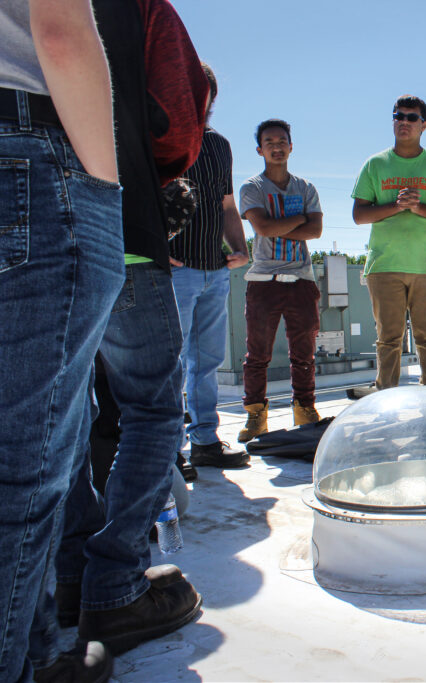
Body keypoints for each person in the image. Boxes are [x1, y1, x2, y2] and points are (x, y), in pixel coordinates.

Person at [35, 0, 209, 665]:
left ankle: (75, 573)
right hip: (122, 223)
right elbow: (177, 119)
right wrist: (151, 170)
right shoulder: (143, 7)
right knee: (153, 406)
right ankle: (115, 581)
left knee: (62, 416)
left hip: (34, 230)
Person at [0, 1, 123, 678]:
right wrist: (102, 191)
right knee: (23, 475)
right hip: (25, 148)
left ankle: (40, 647)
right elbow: (58, 30)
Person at [352, 95, 426, 390]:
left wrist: (417, 208)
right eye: (398, 116)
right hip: (384, 264)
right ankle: (385, 399)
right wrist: (396, 206)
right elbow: (359, 215)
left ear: (424, 125)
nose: (404, 122)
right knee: (388, 338)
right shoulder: (375, 164)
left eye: (412, 117)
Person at [171, 63, 250, 468]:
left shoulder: (219, 145)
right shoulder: (160, 133)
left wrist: (240, 247)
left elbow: (227, 206)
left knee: (207, 363)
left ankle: (204, 442)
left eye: (201, 89)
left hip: (215, 270)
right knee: (169, 363)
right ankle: (169, 453)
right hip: (173, 269)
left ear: (210, 96)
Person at [238, 119, 324, 441]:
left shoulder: (306, 188)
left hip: (301, 278)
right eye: (269, 141)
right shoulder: (253, 187)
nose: (276, 146)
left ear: (291, 146)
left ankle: (305, 408)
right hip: (263, 280)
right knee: (257, 354)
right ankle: (256, 415)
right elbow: (262, 227)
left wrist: (282, 224)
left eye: (282, 140)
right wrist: (298, 218)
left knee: (303, 352)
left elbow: (315, 231)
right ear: (260, 149)